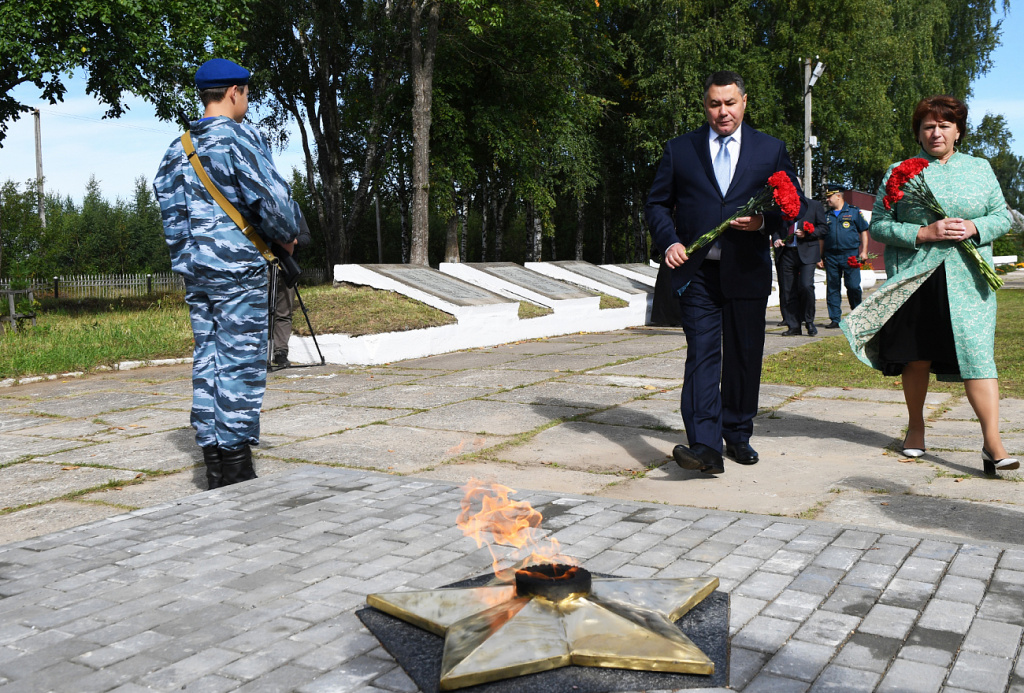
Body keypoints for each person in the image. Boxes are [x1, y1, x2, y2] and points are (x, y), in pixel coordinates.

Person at [842, 95, 1018, 474]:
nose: (935, 132)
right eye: (928, 126)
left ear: (958, 131)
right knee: (917, 354)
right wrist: (924, 231)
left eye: (944, 125)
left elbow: (1002, 217)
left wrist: (975, 227)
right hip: (917, 277)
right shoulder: (900, 170)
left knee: (977, 356)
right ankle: (916, 429)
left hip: (969, 282)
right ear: (918, 133)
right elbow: (882, 225)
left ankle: (993, 443)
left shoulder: (980, 168)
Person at [645, 70, 804, 475]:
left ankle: (737, 433)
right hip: (696, 272)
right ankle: (704, 446)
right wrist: (669, 241)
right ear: (705, 105)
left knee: (744, 356)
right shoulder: (680, 149)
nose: (723, 112)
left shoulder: (770, 150)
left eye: (730, 103)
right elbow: (657, 204)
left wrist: (763, 223)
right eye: (715, 104)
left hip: (747, 270)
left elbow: (792, 206)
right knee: (701, 355)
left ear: (744, 102)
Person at [154, 58, 302, 489]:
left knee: (209, 361)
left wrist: (192, 261)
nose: (248, 101)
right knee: (238, 365)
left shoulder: (176, 150)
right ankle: (235, 468)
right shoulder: (237, 140)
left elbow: (172, 218)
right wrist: (287, 237)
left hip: (197, 274)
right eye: (248, 93)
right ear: (235, 91)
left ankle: (213, 461)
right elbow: (274, 204)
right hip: (239, 273)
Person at [773, 198, 827, 336]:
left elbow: (823, 228)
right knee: (788, 290)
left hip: (807, 253)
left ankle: (808, 321)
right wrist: (776, 239)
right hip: (786, 253)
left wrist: (807, 233)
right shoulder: (781, 206)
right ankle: (794, 326)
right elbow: (776, 227)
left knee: (806, 286)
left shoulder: (814, 205)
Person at [819, 184, 869, 328]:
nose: (827, 199)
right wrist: (820, 256)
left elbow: (864, 231)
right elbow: (821, 238)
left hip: (850, 254)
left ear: (838, 196)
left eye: (829, 196)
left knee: (853, 286)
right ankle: (835, 319)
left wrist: (864, 251)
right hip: (831, 256)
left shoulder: (853, 212)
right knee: (832, 287)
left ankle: (857, 314)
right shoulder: (826, 215)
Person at [270, 213, 312, 368]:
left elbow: (306, 237)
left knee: (284, 312)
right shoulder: (259, 204)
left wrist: (291, 241)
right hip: (262, 266)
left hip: (287, 267)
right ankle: (256, 353)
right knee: (257, 311)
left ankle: (280, 353)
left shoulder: (294, 209)